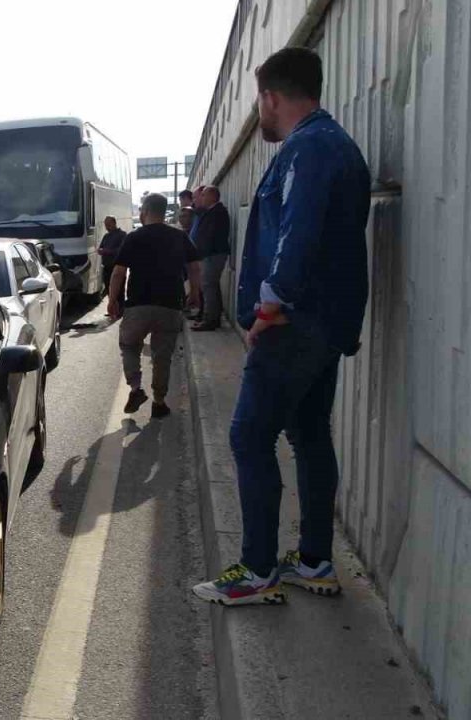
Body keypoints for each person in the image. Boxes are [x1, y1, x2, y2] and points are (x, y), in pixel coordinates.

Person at [192, 47, 370, 607]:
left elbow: (298, 233)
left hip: (294, 322)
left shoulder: (306, 148)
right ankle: (315, 561)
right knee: (309, 434)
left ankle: (257, 571)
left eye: (259, 101)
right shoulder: (334, 142)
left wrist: (268, 307)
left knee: (249, 436)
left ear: (270, 97)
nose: (259, 112)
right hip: (326, 321)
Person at [107, 193, 202, 419]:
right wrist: (194, 293)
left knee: (129, 346)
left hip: (138, 304)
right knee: (162, 356)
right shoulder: (179, 236)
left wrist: (112, 300)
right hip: (170, 304)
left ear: (145, 211)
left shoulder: (134, 237)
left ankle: (135, 388)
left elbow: (119, 272)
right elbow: (194, 267)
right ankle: (159, 402)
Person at [190, 186, 232, 331]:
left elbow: (210, 236)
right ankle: (212, 317)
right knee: (211, 286)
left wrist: (201, 252)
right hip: (211, 255)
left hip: (213, 255)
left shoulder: (217, 212)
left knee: (208, 286)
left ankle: (210, 320)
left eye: (203, 195)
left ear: (212, 196)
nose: (201, 198)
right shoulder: (211, 212)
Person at [98, 216, 127, 294]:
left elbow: (122, 250)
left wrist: (108, 252)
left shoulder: (122, 235)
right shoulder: (106, 236)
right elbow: (101, 247)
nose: (107, 227)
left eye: (108, 224)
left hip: (117, 267)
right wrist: (100, 251)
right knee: (109, 290)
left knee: (119, 292)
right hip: (106, 268)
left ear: (114, 223)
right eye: (106, 225)